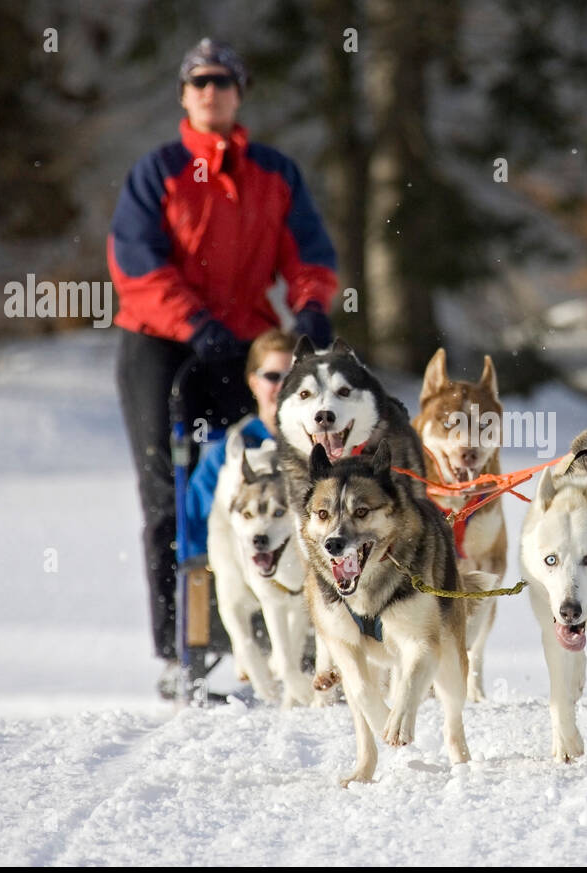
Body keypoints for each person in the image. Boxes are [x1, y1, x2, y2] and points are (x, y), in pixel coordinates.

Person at [109, 38, 338, 698]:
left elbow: (308, 253)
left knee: (275, 469)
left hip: (241, 341)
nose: (210, 91)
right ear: (184, 94)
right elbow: (136, 264)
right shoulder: (158, 172)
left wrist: (312, 307)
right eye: (198, 81)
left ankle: (288, 635)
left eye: (223, 80)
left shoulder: (273, 172)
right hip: (162, 342)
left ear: (239, 92)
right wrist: (193, 322)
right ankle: (183, 648)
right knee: (169, 493)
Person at [183, 328, 295, 552]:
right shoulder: (232, 449)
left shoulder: (319, 446)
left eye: (292, 377)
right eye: (273, 377)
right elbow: (195, 518)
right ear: (254, 382)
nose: (283, 387)